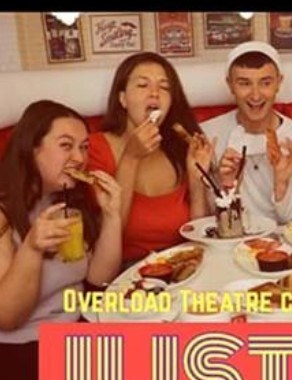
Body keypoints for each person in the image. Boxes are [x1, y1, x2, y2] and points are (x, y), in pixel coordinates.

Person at [0, 100, 123, 380]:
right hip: (1, 360)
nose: (80, 158)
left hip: (66, 334)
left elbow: (99, 278)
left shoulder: (62, 201)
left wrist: (112, 215)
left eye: (84, 147)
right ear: (31, 149)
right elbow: (6, 317)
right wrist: (31, 249)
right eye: (66, 146)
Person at [88, 52, 214, 264]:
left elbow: (200, 235)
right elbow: (106, 236)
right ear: (122, 99)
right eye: (142, 85)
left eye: (164, 87)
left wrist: (196, 180)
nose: (155, 93)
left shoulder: (179, 146)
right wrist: (131, 158)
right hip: (126, 271)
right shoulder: (94, 148)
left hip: (185, 263)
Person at [201, 41, 292, 224]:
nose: (256, 95)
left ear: (278, 83)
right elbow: (206, 220)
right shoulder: (209, 136)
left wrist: (282, 185)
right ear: (230, 85)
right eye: (244, 83)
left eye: (265, 83)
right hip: (229, 235)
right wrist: (226, 185)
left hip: (283, 238)